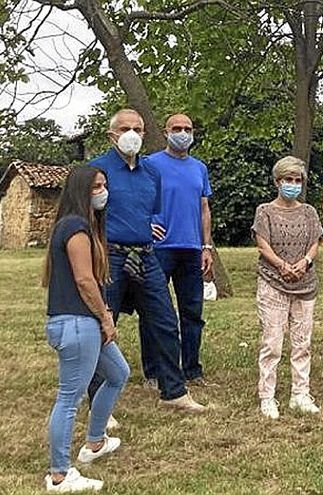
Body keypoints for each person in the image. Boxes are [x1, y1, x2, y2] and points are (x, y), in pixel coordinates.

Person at [90, 108, 205, 412]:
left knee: (165, 322)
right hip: (110, 256)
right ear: (111, 135)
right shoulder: (96, 171)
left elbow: (150, 210)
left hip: (146, 255)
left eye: (137, 129)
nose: (131, 134)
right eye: (125, 128)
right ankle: (97, 400)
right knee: (103, 325)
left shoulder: (151, 172)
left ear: (144, 134)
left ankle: (174, 391)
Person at [42, 166, 130, 492]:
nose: (103, 192)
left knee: (118, 372)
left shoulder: (81, 226)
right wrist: (106, 317)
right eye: (96, 186)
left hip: (81, 324)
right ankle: (60, 474)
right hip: (78, 324)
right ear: (81, 190)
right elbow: (84, 279)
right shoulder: (76, 227)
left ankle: (95, 442)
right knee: (70, 397)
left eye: (105, 185)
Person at [146, 113, 214, 387]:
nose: (183, 133)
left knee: (192, 312)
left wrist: (206, 246)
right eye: (177, 128)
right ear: (165, 132)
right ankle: (153, 371)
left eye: (187, 128)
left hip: (191, 249)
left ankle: (191, 369)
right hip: (159, 249)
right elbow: (138, 198)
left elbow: (204, 208)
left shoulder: (199, 168)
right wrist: (146, 224)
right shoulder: (150, 164)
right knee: (155, 313)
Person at [253, 157, 323, 419]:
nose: (292, 184)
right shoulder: (265, 211)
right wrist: (282, 265)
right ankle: (267, 396)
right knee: (272, 342)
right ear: (277, 181)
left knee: (302, 342)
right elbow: (262, 244)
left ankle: (300, 393)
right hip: (273, 281)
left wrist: (304, 262)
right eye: (288, 180)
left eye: (297, 180)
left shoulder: (309, 212)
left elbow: (315, 242)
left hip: (305, 283)